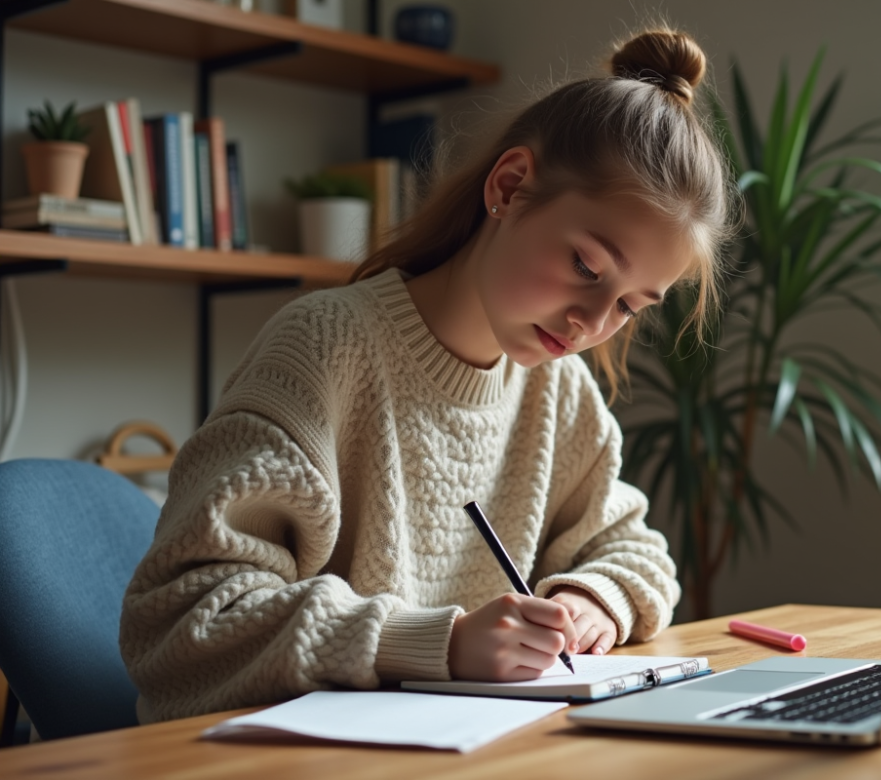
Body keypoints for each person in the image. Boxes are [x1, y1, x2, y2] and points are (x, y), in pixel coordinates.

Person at [120, 26, 734, 723]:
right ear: (509, 187)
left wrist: (592, 598)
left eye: (628, 305)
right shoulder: (325, 347)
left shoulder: (558, 390)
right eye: (586, 268)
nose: (589, 324)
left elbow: (634, 551)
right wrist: (434, 643)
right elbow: (184, 626)